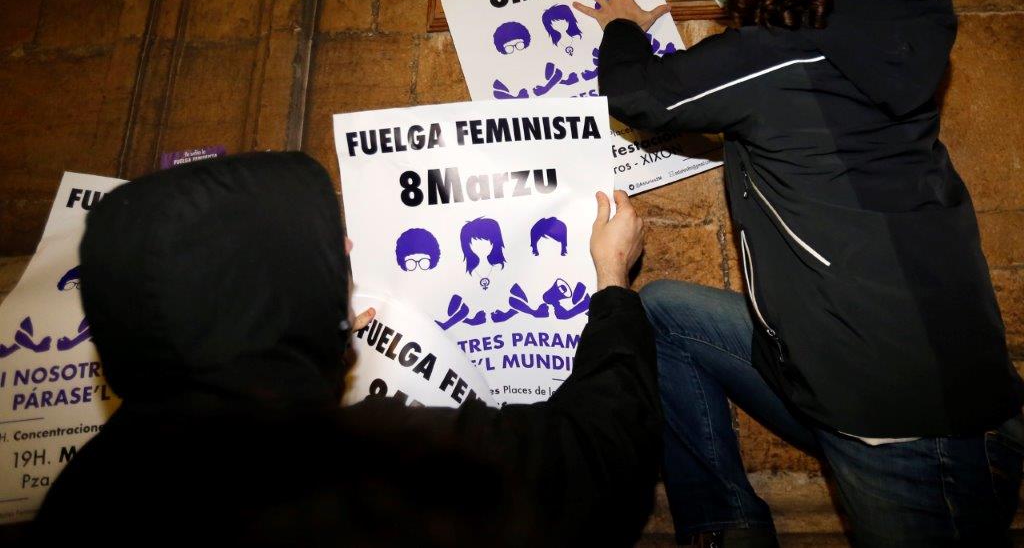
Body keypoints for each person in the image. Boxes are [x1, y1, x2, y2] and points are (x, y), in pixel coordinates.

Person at [575, 0, 1024, 547]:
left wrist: (621, 28)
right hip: (839, 373)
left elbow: (641, 93)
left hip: (910, 431)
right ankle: (726, 524)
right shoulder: (896, 33)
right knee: (663, 314)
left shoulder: (779, 57)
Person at [33, 152, 660, 547]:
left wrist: (313, 356)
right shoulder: (372, 471)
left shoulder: (82, 496)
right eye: (323, 240)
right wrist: (610, 280)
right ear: (261, 279)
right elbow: (600, 459)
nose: (351, 250)